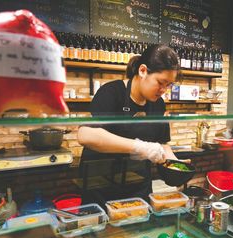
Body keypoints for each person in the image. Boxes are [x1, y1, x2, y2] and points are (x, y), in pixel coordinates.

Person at [77, 44, 180, 204]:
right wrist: (140, 147)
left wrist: (175, 165)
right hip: (101, 188)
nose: (164, 90)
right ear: (143, 71)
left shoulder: (158, 104)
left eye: (169, 85)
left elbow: (162, 143)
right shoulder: (111, 92)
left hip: (138, 188)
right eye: (161, 82)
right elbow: (86, 135)